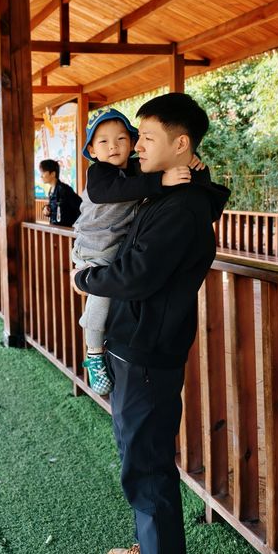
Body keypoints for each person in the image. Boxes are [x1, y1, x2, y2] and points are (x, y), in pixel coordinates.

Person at [72, 93, 229, 554]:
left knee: (147, 470)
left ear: (180, 145)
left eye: (146, 139)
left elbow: (134, 276)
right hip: (135, 344)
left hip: (145, 353)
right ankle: (153, 549)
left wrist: (86, 282)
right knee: (142, 460)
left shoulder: (182, 209)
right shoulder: (172, 194)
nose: (135, 148)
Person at [73, 108, 198, 395]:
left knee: (109, 289)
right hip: (95, 248)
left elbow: (162, 169)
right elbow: (115, 192)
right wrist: (160, 182)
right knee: (101, 297)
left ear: (131, 143)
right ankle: (93, 352)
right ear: (91, 150)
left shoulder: (135, 168)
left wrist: (188, 162)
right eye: (103, 142)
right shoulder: (99, 173)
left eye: (120, 139)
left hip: (113, 247)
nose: (113, 146)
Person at [39, 158, 81, 227]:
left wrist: (76, 226)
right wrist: (46, 209)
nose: (41, 176)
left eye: (43, 172)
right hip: (56, 230)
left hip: (66, 231)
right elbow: (56, 208)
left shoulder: (64, 189)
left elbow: (80, 206)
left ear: (53, 174)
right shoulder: (51, 190)